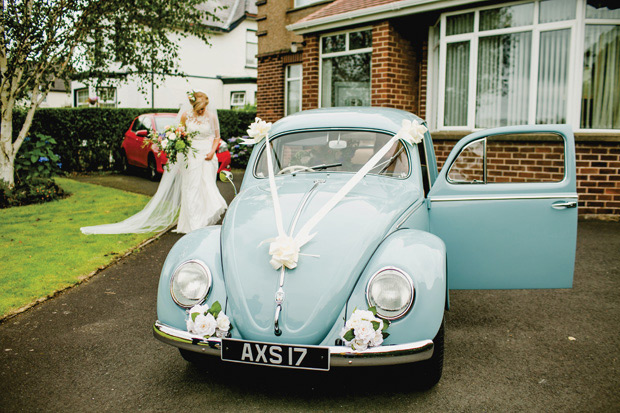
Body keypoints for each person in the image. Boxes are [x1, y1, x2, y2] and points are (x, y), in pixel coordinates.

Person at [80, 90, 227, 235]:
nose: (203, 111)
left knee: (207, 186)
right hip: (191, 156)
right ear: (193, 106)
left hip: (207, 155)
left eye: (204, 108)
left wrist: (213, 151)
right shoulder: (185, 116)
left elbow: (216, 137)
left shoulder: (211, 117)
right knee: (192, 188)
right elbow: (180, 135)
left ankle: (204, 220)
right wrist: (176, 144)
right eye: (200, 109)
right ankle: (194, 224)